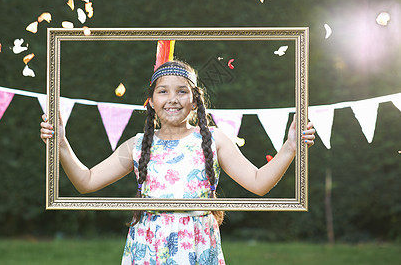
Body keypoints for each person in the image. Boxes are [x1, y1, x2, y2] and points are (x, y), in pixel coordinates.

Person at [40, 60, 316, 264]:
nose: (173, 99)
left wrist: (290, 147)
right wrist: (61, 144)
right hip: (148, 246)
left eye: (182, 91)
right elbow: (86, 181)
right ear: (150, 101)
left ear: (195, 101)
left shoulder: (215, 140)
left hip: (196, 246)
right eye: (163, 91)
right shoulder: (136, 146)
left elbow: (259, 183)